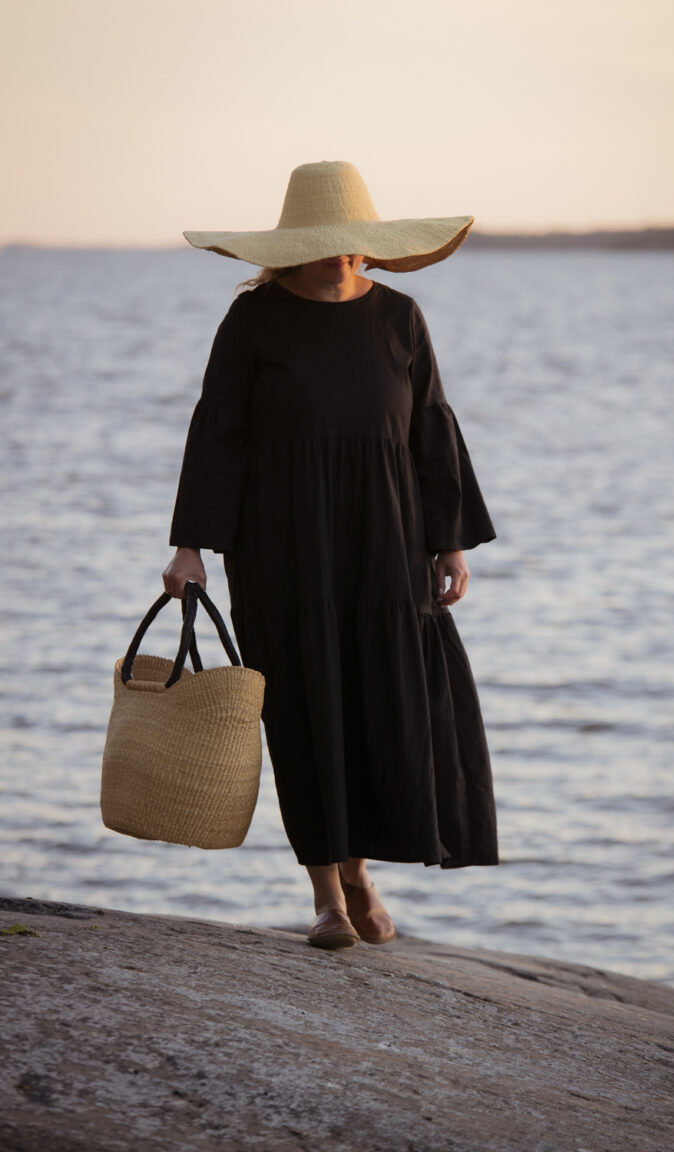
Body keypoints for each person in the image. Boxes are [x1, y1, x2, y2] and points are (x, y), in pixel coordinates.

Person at [163, 161, 498, 951]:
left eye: (351, 247)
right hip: (281, 548)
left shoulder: (401, 319)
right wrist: (189, 547)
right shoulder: (254, 323)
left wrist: (449, 541)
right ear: (290, 250)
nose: (339, 260)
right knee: (305, 711)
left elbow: (433, 431)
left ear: (367, 248)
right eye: (322, 247)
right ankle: (327, 898)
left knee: (381, 703)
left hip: (386, 547)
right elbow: (218, 433)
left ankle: (361, 873)